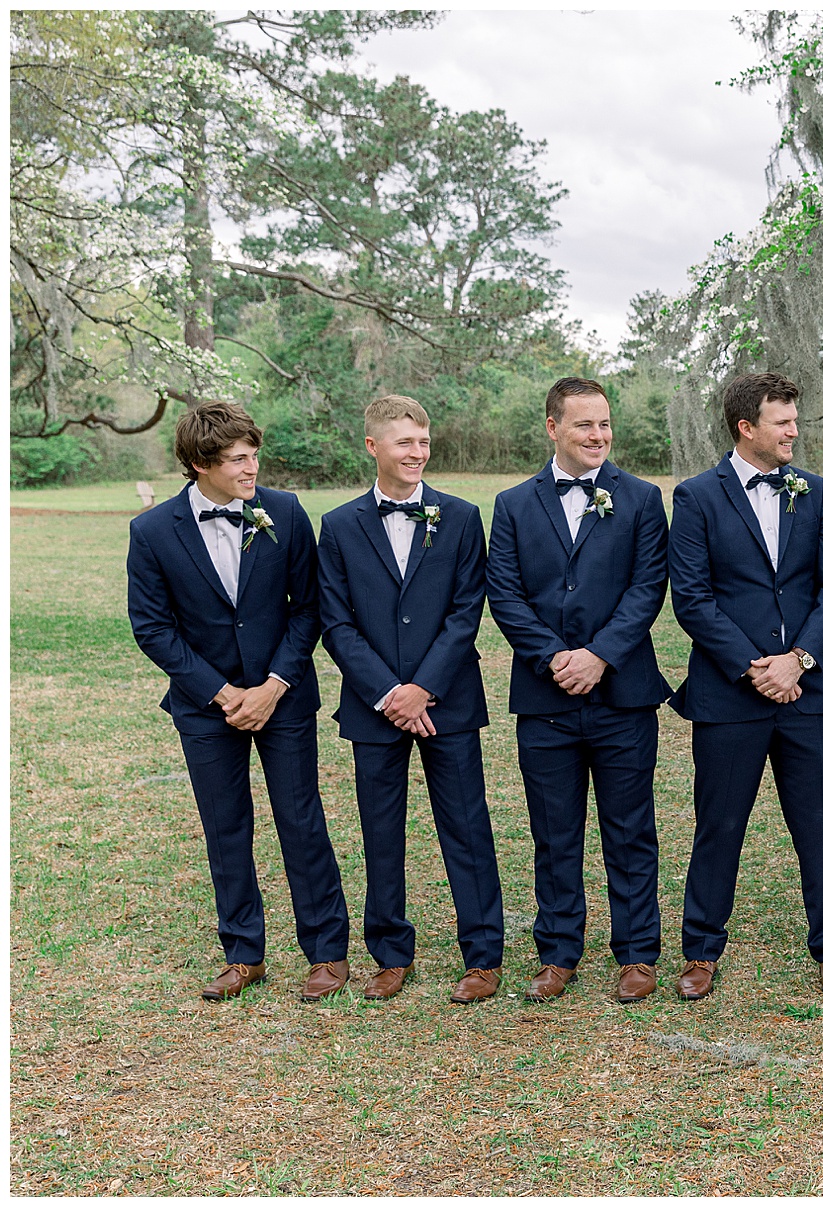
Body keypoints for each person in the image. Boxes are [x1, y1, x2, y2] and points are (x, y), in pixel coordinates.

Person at [126, 400, 350, 1001]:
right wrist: (223, 693)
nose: (252, 469)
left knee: (301, 821)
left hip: (284, 697)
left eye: (253, 456)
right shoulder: (152, 531)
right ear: (200, 464)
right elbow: (152, 628)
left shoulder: (285, 511)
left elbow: (309, 608)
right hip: (205, 707)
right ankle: (243, 953)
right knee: (225, 828)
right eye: (236, 460)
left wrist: (274, 685)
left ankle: (327, 952)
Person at [668, 372, 823, 1000]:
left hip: (807, 692)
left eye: (795, 420)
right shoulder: (696, 496)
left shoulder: (815, 491)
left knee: (821, 826)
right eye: (784, 422)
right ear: (747, 427)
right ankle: (701, 950)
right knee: (719, 826)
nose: (794, 431)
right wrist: (756, 667)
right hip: (730, 695)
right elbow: (692, 599)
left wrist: (798, 660)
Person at [486, 377, 673, 1003]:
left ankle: (637, 953)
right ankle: (558, 951)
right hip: (545, 700)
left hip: (623, 695)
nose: (598, 436)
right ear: (553, 428)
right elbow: (505, 595)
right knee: (554, 832)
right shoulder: (513, 504)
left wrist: (599, 656)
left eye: (604, 424)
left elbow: (647, 587)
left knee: (630, 830)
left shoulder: (641, 498)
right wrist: (554, 659)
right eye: (584, 424)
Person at [317, 395, 504, 1004]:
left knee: (467, 826)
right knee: (380, 831)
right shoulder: (339, 526)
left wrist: (423, 688)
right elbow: (335, 622)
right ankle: (390, 953)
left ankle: (483, 956)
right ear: (374, 446)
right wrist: (388, 692)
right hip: (373, 707)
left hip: (447, 700)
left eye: (423, 442)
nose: (417, 453)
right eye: (404, 443)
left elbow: (465, 611)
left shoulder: (461, 517)